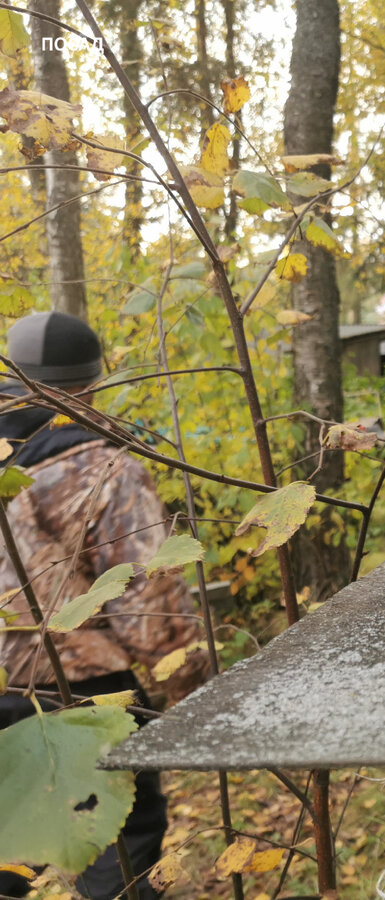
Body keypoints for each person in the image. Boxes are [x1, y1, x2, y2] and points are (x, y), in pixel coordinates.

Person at [0, 312, 208, 900]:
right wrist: (194, 699)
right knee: (116, 843)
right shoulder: (105, 469)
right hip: (79, 692)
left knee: (5, 851)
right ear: (91, 386)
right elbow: (151, 613)